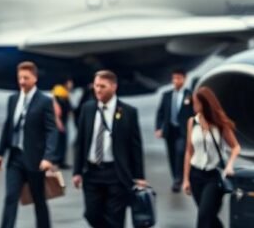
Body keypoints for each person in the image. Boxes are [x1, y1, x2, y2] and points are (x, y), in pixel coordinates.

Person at [72, 70, 146, 228]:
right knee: (91, 214)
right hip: (92, 173)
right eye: (96, 86)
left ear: (114, 87)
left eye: (102, 86)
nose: (98, 90)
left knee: (116, 219)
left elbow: (136, 147)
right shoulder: (87, 109)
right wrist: (77, 171)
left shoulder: (128, 112)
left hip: (116, 174)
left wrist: (139, 176)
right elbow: (81, 142)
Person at [0, 61, 59, 228]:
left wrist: (48, 157)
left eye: (26, 78)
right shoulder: (13, 99)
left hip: (35, 159)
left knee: (39, 200)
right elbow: (8, 126)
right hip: (15, 158)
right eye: (20, 78)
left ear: (35, 78)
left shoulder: (44, 101)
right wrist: (0, 153)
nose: (22, 81)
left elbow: (52, 130)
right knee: (10, 197)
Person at [182, 86, 240, 228]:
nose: (193, 105)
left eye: (196, 102)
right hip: (195, 175)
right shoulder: (192, 122)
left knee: (203, 216)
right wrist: (185, 179)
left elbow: (236, 147)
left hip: (213, 176)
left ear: (205, 104)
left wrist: (230, 165)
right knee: (209, 218)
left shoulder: (219, 123)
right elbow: (189, 151)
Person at [156, 68, 193, 192]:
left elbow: (194, 113)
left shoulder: (190, 95)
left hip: (183, 131)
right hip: (170, 130)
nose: (176, 81)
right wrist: (158, 128)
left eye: (178, 78)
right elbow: (160, 113)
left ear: (184, 79)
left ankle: (179, 179)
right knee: (171, 155)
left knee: (180, 152)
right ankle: (175, 177)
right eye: (174, 78)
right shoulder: (167, 95)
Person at [53, 80, 73, 169]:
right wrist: (58, 121)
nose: (71, 85)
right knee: (58, 142)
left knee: (63, 142)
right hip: (59, 122)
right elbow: (56, 108)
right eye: (70, 83)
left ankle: (61, 161)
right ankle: (56, 161)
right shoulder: (58, 91)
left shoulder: (65, 93)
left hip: (64, 121)